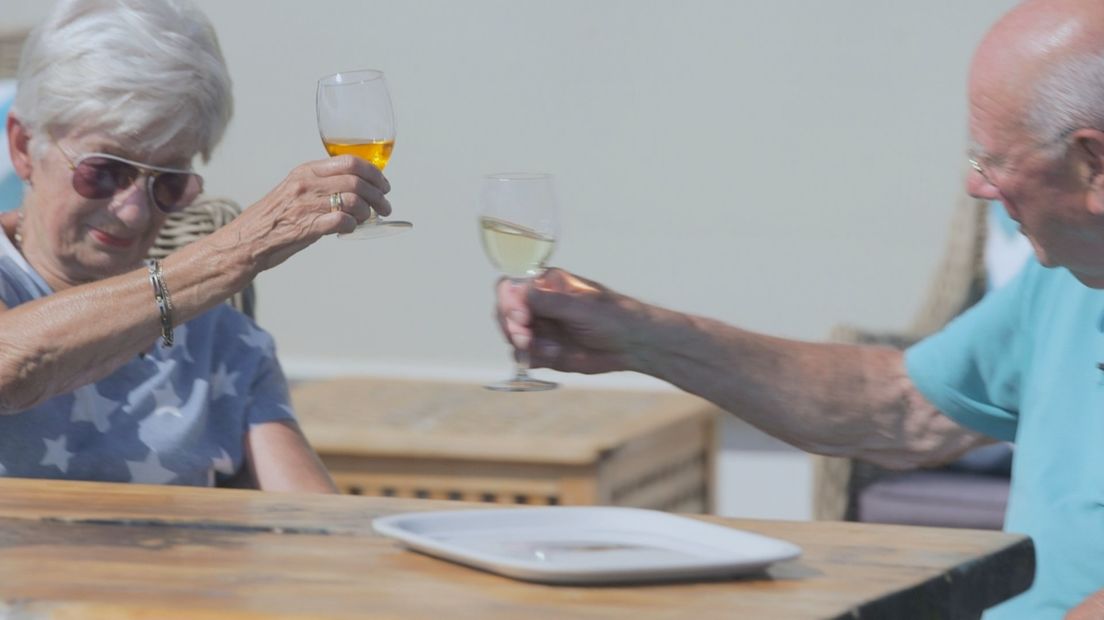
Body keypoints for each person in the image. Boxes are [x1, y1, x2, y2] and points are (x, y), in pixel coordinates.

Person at [497, 0, 1104, 617]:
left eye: (993, 160)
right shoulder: (1064, 281)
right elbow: (900, 405)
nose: (977, 185)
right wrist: (637, 336)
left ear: (1093, 166)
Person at [0, 0, 392, 493]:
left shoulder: (220, 340)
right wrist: (237, 251)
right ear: (22, 146)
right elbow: (9, 366)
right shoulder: (209, 282)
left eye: (168, 183)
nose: (133, 210)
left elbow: (316, 526)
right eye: (104, 171)